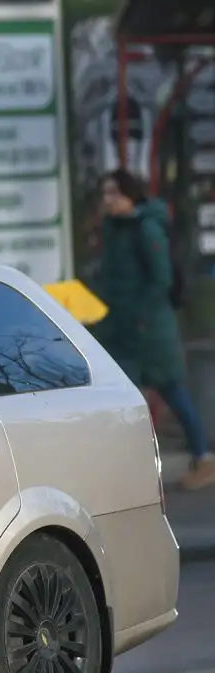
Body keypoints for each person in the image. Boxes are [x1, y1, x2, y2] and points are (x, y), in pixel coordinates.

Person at [96, 169, 214, 490]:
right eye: (105, 193)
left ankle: (203, 459)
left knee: (172, 392)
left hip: (150, 330)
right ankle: (133, 469)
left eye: (113, 193)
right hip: (123, 328)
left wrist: (142, 318)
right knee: (125, 399)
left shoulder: (146, 228)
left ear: (128, 195)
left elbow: (160, 279)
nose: (107, 200)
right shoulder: (113, 228)